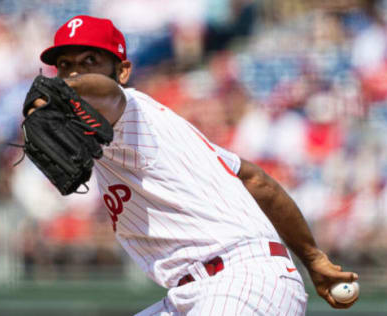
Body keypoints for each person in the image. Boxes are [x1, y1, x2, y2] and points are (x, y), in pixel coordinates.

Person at [28, 15, 358, 315]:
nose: (75, 72)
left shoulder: (128, 110)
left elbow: (107, 92)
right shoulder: (163, 130)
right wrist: (314, 259)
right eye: (65, 64)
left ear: (123, 71)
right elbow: (256, 180)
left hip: (241, 281)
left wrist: (58, 91)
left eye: (90, 61)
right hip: (197, 292)